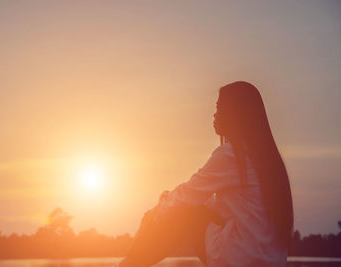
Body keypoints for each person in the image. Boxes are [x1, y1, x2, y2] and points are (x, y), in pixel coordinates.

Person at [117, 81, 293, 267]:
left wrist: (155, 213)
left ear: (235, 114)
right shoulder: (266, 160)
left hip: (241, 258)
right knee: (182, 208)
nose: (214, 115)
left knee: (184, 213)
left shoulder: (232, 154)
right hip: (272, 261)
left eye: (219, 108)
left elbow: (188, 195)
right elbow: (215, 207)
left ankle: (128, 264)